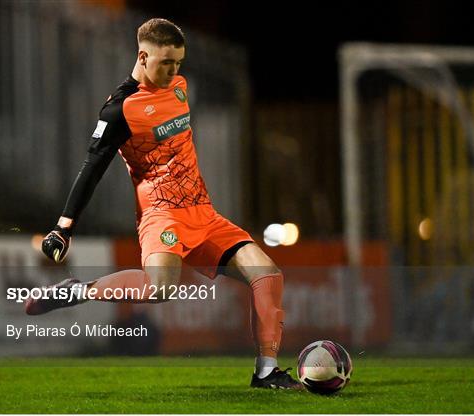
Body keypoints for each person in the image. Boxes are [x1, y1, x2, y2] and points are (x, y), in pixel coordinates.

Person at [26, 18, 301, 390]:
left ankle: (266, 372)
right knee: (160, 290)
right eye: (166, 63)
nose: (174, 71)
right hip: (161, 214)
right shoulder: (119, 109)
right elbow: (92, 167)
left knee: (267, 274)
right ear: (143, 55)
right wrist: (63, 227)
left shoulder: (180, 87)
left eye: (179, 63)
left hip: (204, 214)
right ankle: (79, 290)